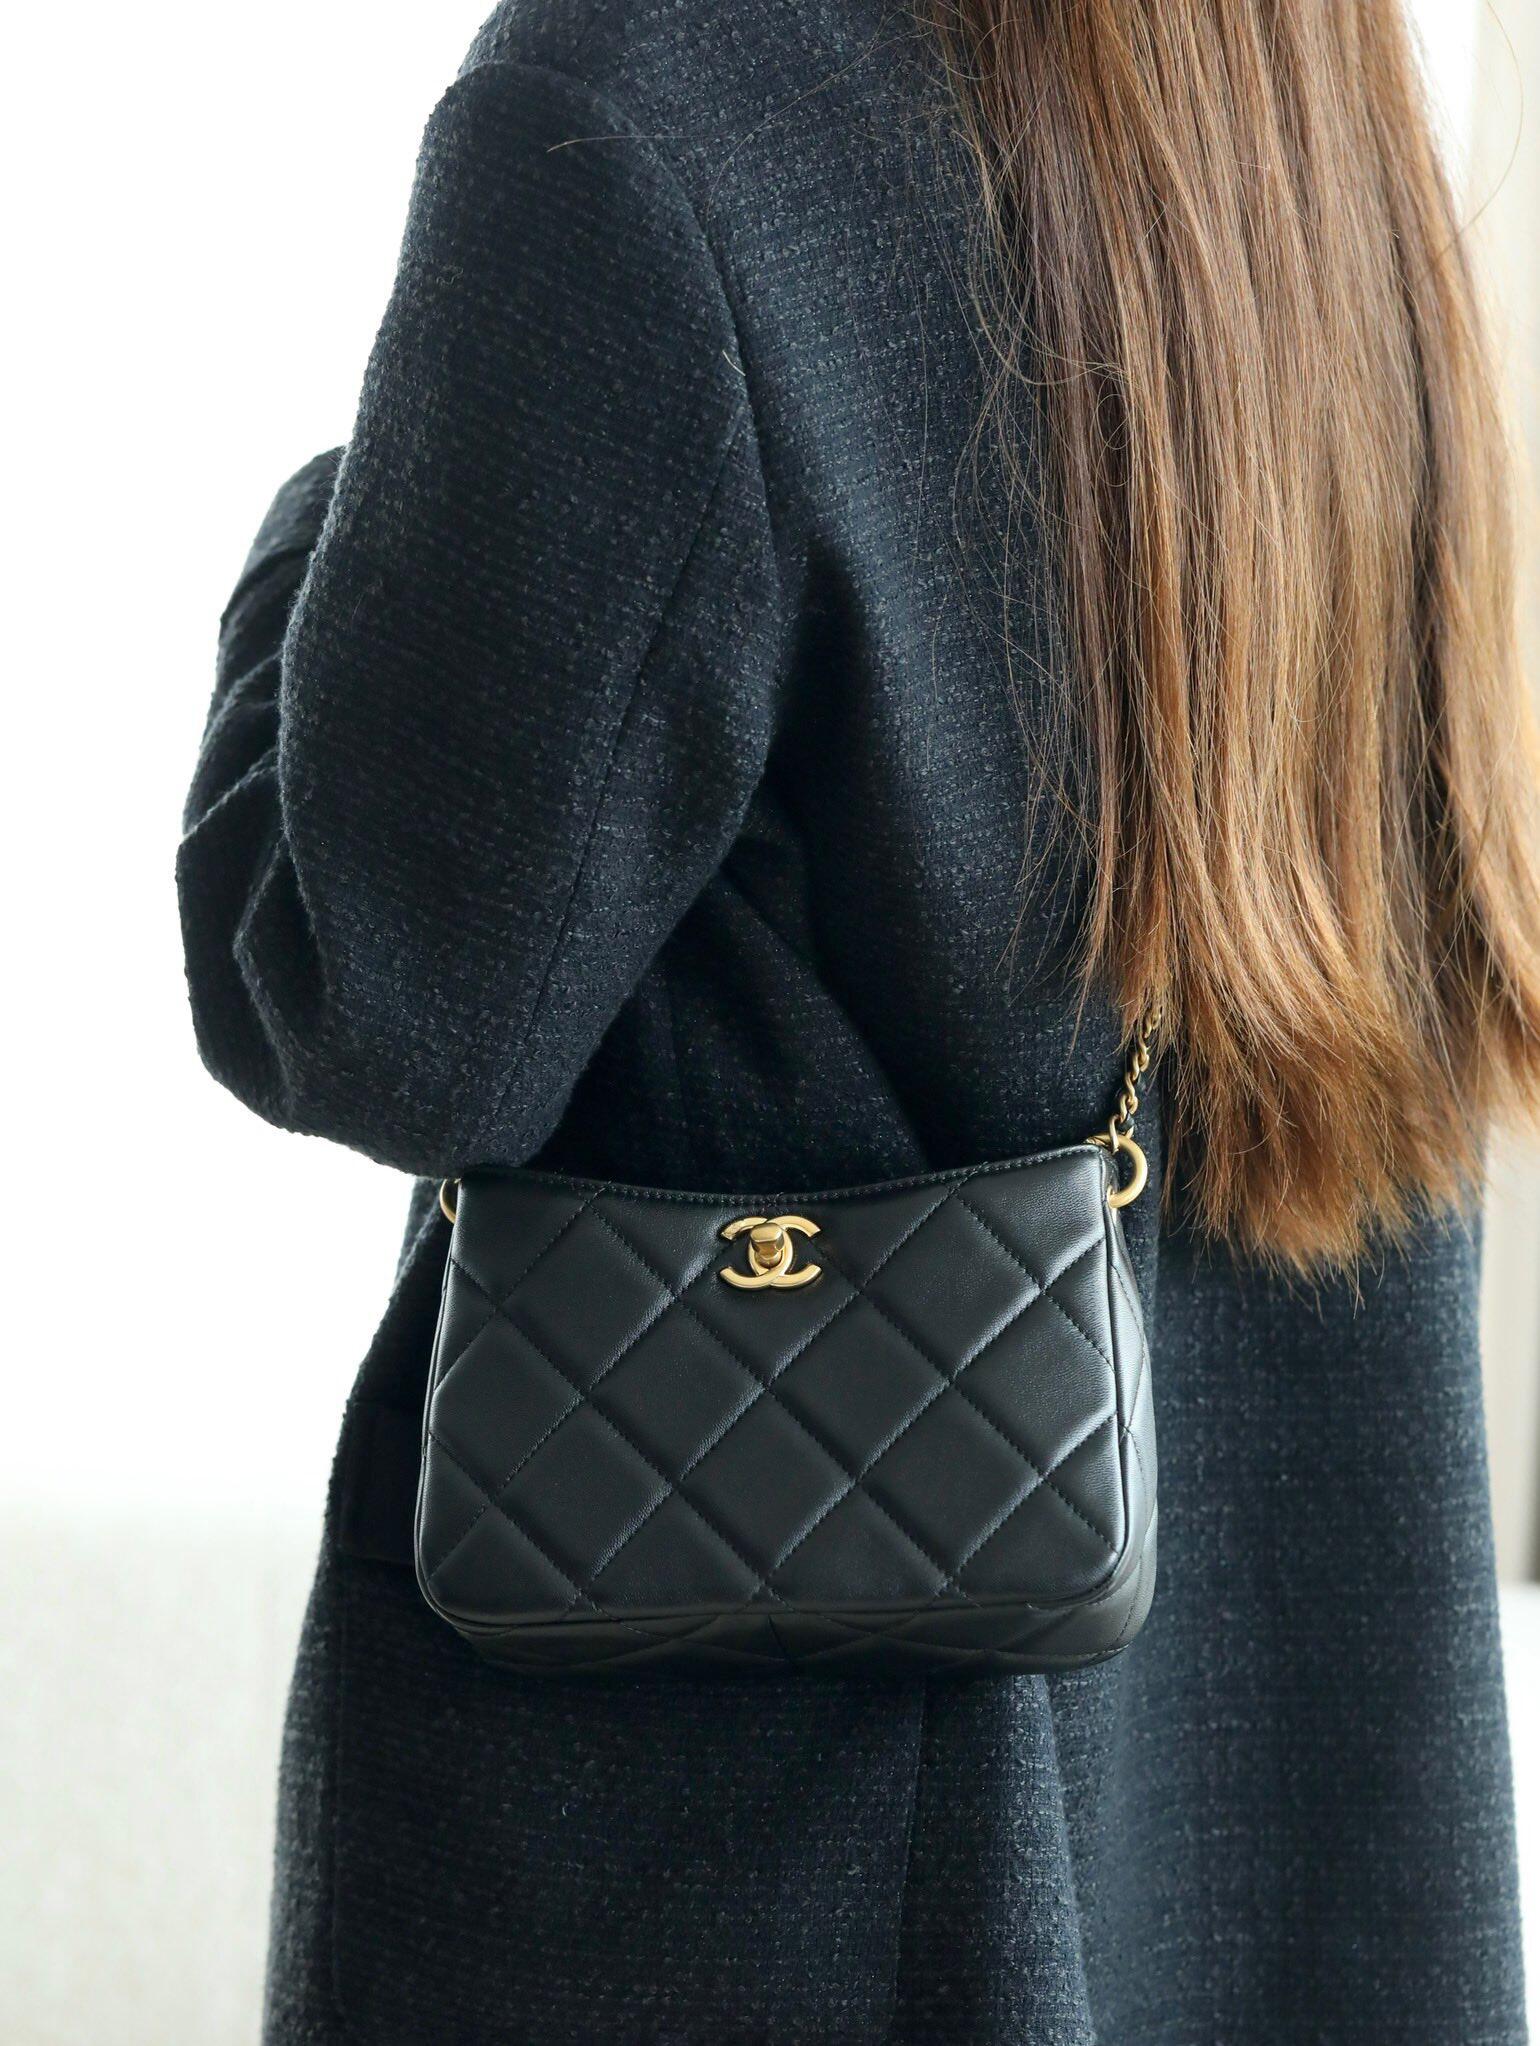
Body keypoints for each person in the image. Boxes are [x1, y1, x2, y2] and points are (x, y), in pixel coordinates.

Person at [178, 2, 1538, 2039]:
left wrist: (317, 530)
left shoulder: (646, 94)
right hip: (1280, 1822)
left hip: (760, 1865)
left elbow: (367, 1001)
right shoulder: (1286, 82)